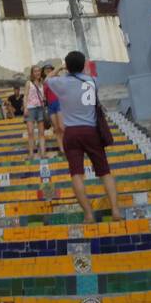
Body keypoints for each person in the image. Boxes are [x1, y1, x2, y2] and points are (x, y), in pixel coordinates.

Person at [47, 50, 124, 224]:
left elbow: (47, 79)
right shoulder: (92, 81)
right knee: (105, 173)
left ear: (67, 66)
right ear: (82, 65)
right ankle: (115, 210)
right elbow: (89, 71)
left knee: (76, 174)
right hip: (91, 131)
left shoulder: (60, 83)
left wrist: (60, 66)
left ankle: (88, 214)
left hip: (71, 132)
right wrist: (83, 65)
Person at [23, 66, 48, 160]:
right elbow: (25, 96)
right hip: (31, 108)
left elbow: (43, 96)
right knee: (30, 132)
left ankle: (43, 153)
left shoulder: (42, 83)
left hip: (40, 108)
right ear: (32, 73)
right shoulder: (28, 83)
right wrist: (25, 108)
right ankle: (31, 154)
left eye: (38, 71)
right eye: (35, 71)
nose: (37, 73)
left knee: (41, 132)